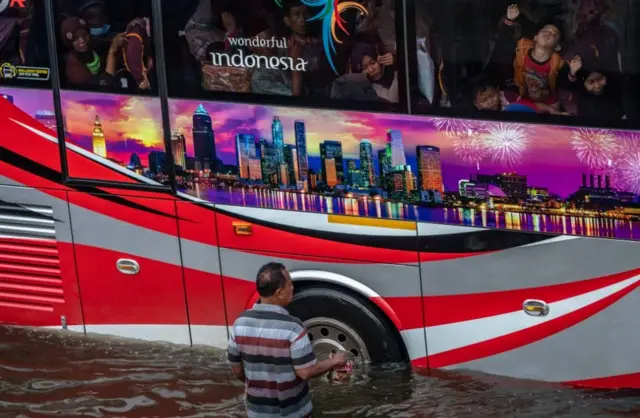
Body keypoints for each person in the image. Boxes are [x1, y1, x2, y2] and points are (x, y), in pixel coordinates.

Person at [227, 262, 347, 418]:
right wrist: (335, 361)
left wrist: (255, 387)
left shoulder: (239, 323)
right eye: (290, 285)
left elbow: (236, 370)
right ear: (280, 292)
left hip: (256, 413)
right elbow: (306, 372)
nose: (293, 288)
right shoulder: (293, 327)